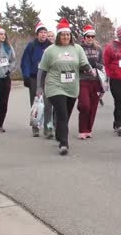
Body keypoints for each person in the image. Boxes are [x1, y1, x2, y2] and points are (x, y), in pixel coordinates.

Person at [36, 18, 93, 155]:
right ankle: (64, 144)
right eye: (63, 34)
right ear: (58, 36)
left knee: (65, 116)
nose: (66, 37)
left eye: (68, 34)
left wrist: (88, 69)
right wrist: (39, 87)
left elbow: (84, 63)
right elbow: (42, 70)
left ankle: (59, 133)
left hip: (72, 87)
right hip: (55, 86)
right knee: (62, 114)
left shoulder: (77, 49)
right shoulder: (50, 50)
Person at [20, 21, 53, 138]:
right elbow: (25, 62)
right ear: (37, 34)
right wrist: (26, 76)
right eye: (41, 32)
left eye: (45, 32)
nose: (43, 35)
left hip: (48, 77)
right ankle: (35, 126)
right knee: (36, 102)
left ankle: (48, 127)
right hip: (34, 77)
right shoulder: (31, 46)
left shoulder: (50, 46)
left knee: (48, 103)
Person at [77, 24, 104, 139]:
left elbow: (102, 65)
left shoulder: (99, 49)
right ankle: (82, 129)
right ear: (84, 37)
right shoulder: (78, 48)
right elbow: (75, 63)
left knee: (93, 107)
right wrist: (85, 66)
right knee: (85, 105)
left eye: (92, 36)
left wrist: (95, 65)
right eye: (88, 36)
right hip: (82, 79)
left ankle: (88, 129)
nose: (90, 38)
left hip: (96, 80)